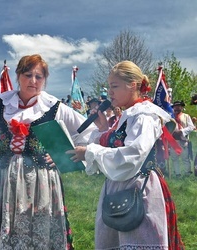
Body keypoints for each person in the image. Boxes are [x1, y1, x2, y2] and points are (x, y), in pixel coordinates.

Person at [0, 54, 93, 249]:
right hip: (3, 178)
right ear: (18, 76)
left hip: (40, 179)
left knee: (39, 227)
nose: (33, 81)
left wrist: (62, 155)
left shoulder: (54, 107)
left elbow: (87, 131)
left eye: (39, 77)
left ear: (45, 80)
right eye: (27, 75)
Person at [68, 60, 184, 249]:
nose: (109, 92)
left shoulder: (145, 115)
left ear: (133, 85)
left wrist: (90, 152)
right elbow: (116, 145)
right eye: (109, 86)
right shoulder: (128, 114)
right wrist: (104, 130)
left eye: (114, 86)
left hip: (140, 187)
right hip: (120, 186)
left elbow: (133, 155)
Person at [170, 100, 195, 177]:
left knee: (185, 158)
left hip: (183, 140)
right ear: (173, 107)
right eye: (175, 106)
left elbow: (191, 127)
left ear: (181, 107)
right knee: (174, 158)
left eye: (179, 106)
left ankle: (187, 173)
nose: (177, 107)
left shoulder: (186, 116)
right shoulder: (170, 117)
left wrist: (182, 131)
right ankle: (177, 174)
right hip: (173, 140)